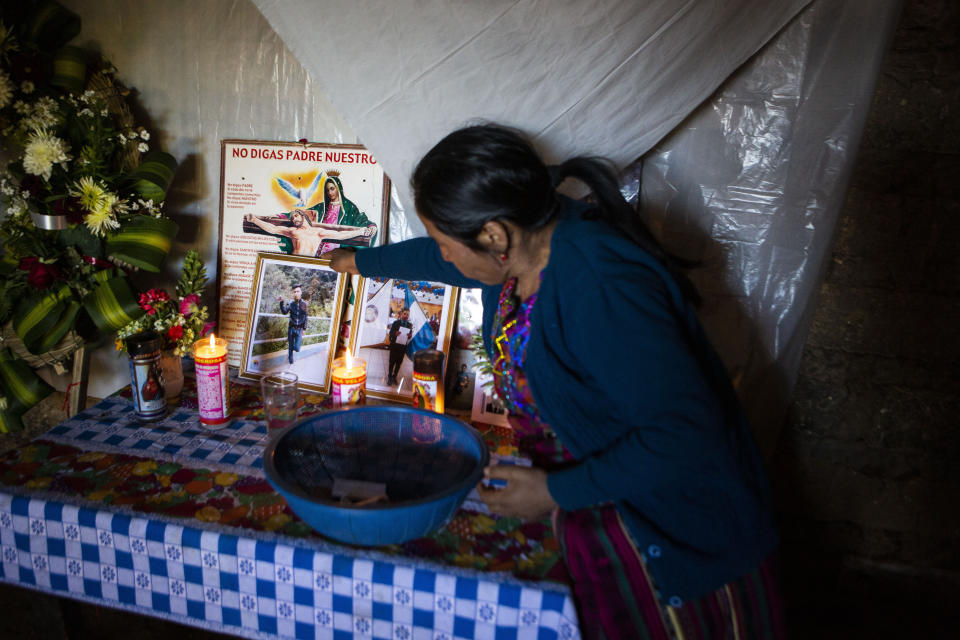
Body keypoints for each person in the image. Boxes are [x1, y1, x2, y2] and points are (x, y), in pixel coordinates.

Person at [329, 124, 783, 639]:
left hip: (679, 533)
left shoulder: (599, 282)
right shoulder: (528, 243)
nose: (446, 255)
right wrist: (359, 261)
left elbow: (685, 432)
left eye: (446, 241)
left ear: (494, 234)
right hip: (605, 502)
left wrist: (556, 491)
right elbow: (440, 259)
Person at [244, 208, 368, 257]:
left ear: (303, 215)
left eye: (296, 215)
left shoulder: (318, 232)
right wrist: (254, 219)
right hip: (293, 260)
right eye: (292, 217)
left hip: (309, 263)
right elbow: (273, 229)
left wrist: (361, 231)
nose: (294, 218)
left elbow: (341, 235)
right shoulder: (293, 231)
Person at [307, 172, 379, 255]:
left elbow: (359, 219)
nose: (329, 192)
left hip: (336, 247)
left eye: (332, 188)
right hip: (320, 244)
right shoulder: (321, 207)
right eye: (327, 190)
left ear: (338, 188)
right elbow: (304, 214)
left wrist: (371, 226)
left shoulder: (349, 207)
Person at [278, 284, 308, 365]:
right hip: (291, 329)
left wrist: (304, 329)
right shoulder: (291, 303)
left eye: (298, 291)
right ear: (293, 293)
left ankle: (293, 352)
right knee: (290, 346)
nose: (296, 293)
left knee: (297, 348)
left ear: (301, 292)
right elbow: (284, 312)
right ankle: (290, 359)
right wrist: (281, 302)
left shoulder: (304, 304)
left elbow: (306, 317)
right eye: (294, 292)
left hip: (299, 330)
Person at [386, 307, 412, 386]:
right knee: (392, 362)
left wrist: (410, 336)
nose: (406, 316)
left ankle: (394, 377)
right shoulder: (395, 323)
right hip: (394, 346)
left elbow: (409, 336)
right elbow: (390, 333)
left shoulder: (410, 325)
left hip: (402, 347)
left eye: (407, 315)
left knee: (398, 363)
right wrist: (395, 333)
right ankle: (389, 377)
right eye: (404, 314)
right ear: (401, 314)